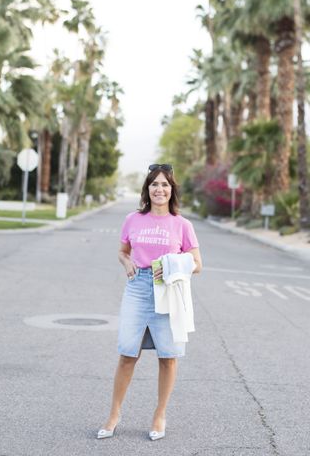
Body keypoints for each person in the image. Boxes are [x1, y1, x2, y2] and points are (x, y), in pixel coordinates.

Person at [97, 163, 202, 440]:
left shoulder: (182, 225)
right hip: (137, 287)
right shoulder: (133, 219)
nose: (159, 189)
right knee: (127, 354)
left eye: (165, 184)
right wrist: (127, 261)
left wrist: (171, 264)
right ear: (147, 189)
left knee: (168, 356)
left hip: (166, 290)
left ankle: (160, 414)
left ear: (172, 190)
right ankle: (114, 413)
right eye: (154, 184)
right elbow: (122, 251)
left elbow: (197, 264)